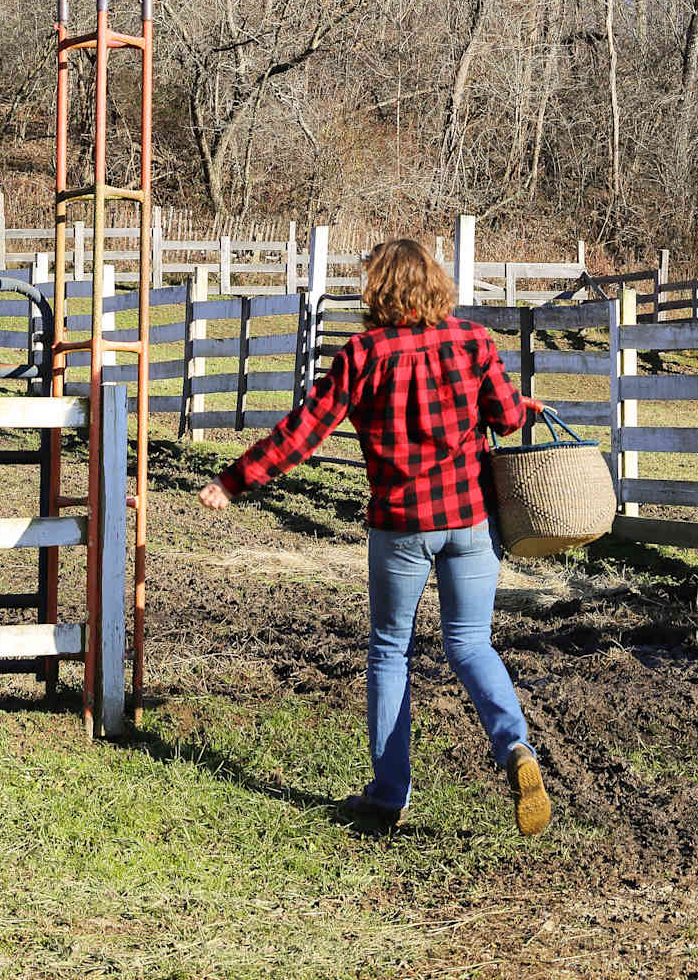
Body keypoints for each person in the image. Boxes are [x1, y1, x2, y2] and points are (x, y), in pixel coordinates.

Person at [198, 237, 551, 836]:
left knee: (391, 652)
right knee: (470, 645)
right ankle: (516, 748)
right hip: (469, 520)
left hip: (401, 524)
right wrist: (526, 408)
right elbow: (506, 415)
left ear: (377, 289)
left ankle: (389, 795)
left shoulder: (362, 355)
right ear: (435, 284)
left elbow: (304, 431)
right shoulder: (473, 341)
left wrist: (234, 481)